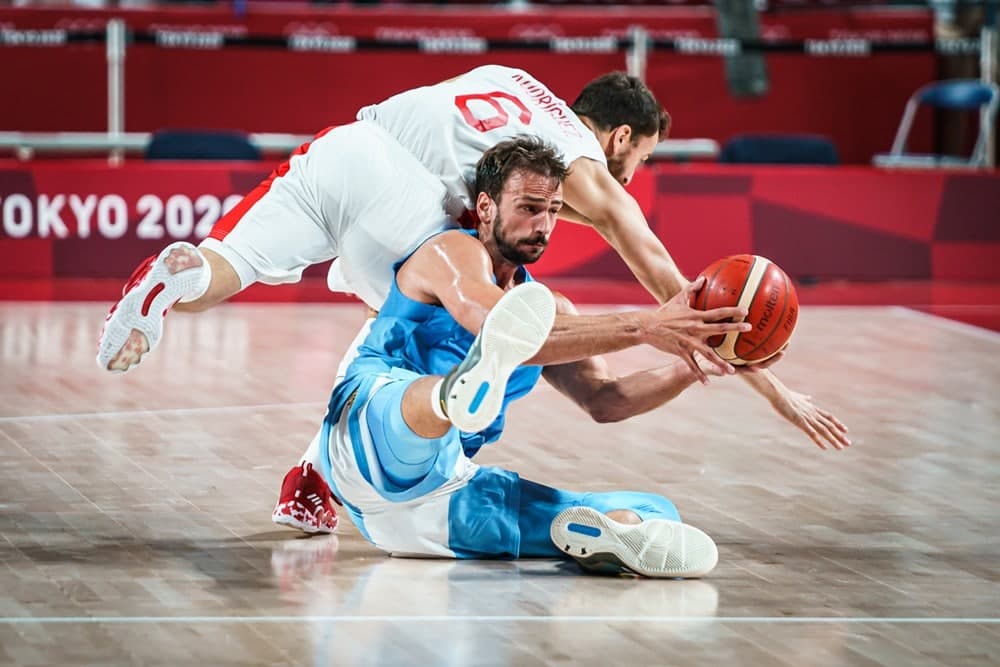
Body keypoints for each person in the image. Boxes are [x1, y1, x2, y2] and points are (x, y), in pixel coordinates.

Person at [95, 65, 849, 531]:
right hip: (412, 209)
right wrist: (771, 384)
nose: (632, 182)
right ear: (618, 137)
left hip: (349, 145)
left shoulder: (516, 84)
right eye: (640, 163)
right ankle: (342, 461)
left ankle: (177, 279)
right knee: (439, 324)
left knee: (235, 258)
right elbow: (673, 284)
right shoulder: (574, 164)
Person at [311, 136, 783, 576]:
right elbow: (493, 321)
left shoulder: (550, 310)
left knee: (654, 513)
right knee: (404, 399)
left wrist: (690, 364)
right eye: (529, 208)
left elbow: (606, 399)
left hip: (434, 506)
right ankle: (451, 395)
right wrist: (646, 325)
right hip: (364, 440)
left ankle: (610, 539)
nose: (543, 224)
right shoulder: (451, 251)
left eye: (554, 210)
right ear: (485, 207)